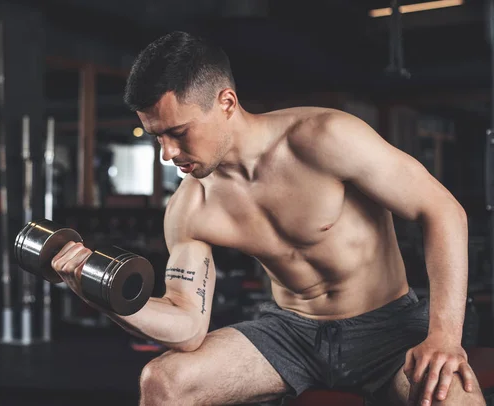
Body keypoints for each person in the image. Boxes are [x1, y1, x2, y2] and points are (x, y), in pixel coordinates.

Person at [51, 31, 486, 406]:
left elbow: (442, 209)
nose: (167, 153)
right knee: (164, 381)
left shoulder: (324, 139)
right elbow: (185, 326)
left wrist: (445, 337)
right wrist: (104, 295)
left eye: (178, 132)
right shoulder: (192, 206)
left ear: (226, 102)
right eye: (157, 137)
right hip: (290, 333)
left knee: (454, 398)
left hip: (388, 328)